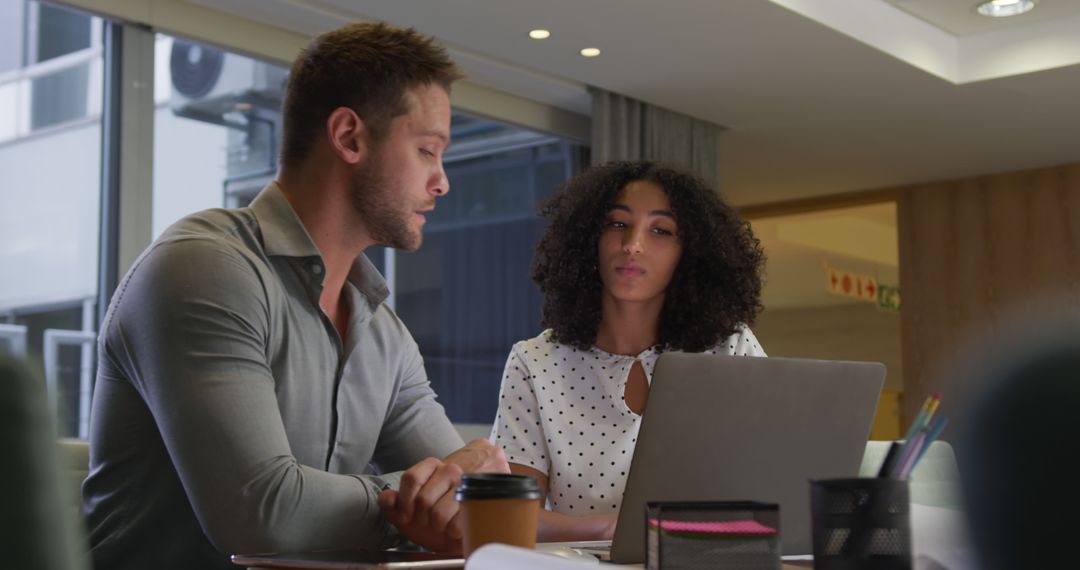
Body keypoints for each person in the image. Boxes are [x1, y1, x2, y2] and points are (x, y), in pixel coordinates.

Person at [82, 22, 507, 570]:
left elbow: (467, 500)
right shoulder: (204, 269)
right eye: (427, 150)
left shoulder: (382, 332)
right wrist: (422, 498)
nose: (442, 181)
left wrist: (466, 490)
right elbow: (260, 517)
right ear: (350, 136)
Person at [490, 160, 767, 541]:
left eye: (661, 230)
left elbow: (768, 491)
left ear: (690, 255)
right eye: (617, 224)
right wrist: (615, 529)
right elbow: (512, 519)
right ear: (590, 237)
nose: (632, 245)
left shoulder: (731, 349)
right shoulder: (535, 362)